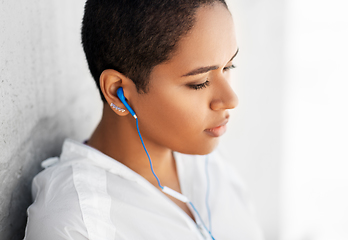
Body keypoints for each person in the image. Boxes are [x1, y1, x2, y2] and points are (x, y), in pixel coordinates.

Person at [24, 0, 263, 239]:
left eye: (229, 66)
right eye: (198, 82)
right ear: (119, 91)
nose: (231, 99)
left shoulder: (208, 161)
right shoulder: (78, 223)